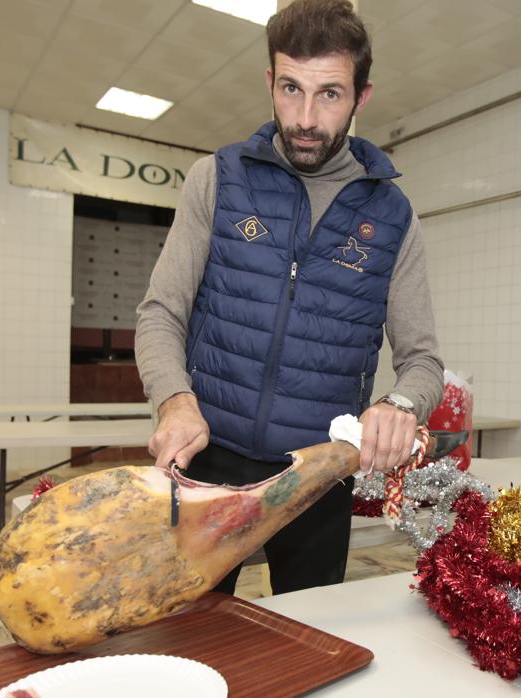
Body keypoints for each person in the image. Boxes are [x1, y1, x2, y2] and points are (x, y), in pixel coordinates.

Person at [135, 0, 443, 596]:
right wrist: (174, 400)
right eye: (290, 89)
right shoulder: (218, 179)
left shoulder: (392, 215)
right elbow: (161, 313)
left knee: (309, 643)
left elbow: (423, 361)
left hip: (317, 475)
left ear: (361, 97)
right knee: (194, 630)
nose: (306, 117)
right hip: (209, 462)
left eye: (329, 94)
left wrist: (399, 403)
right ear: (269, 83)